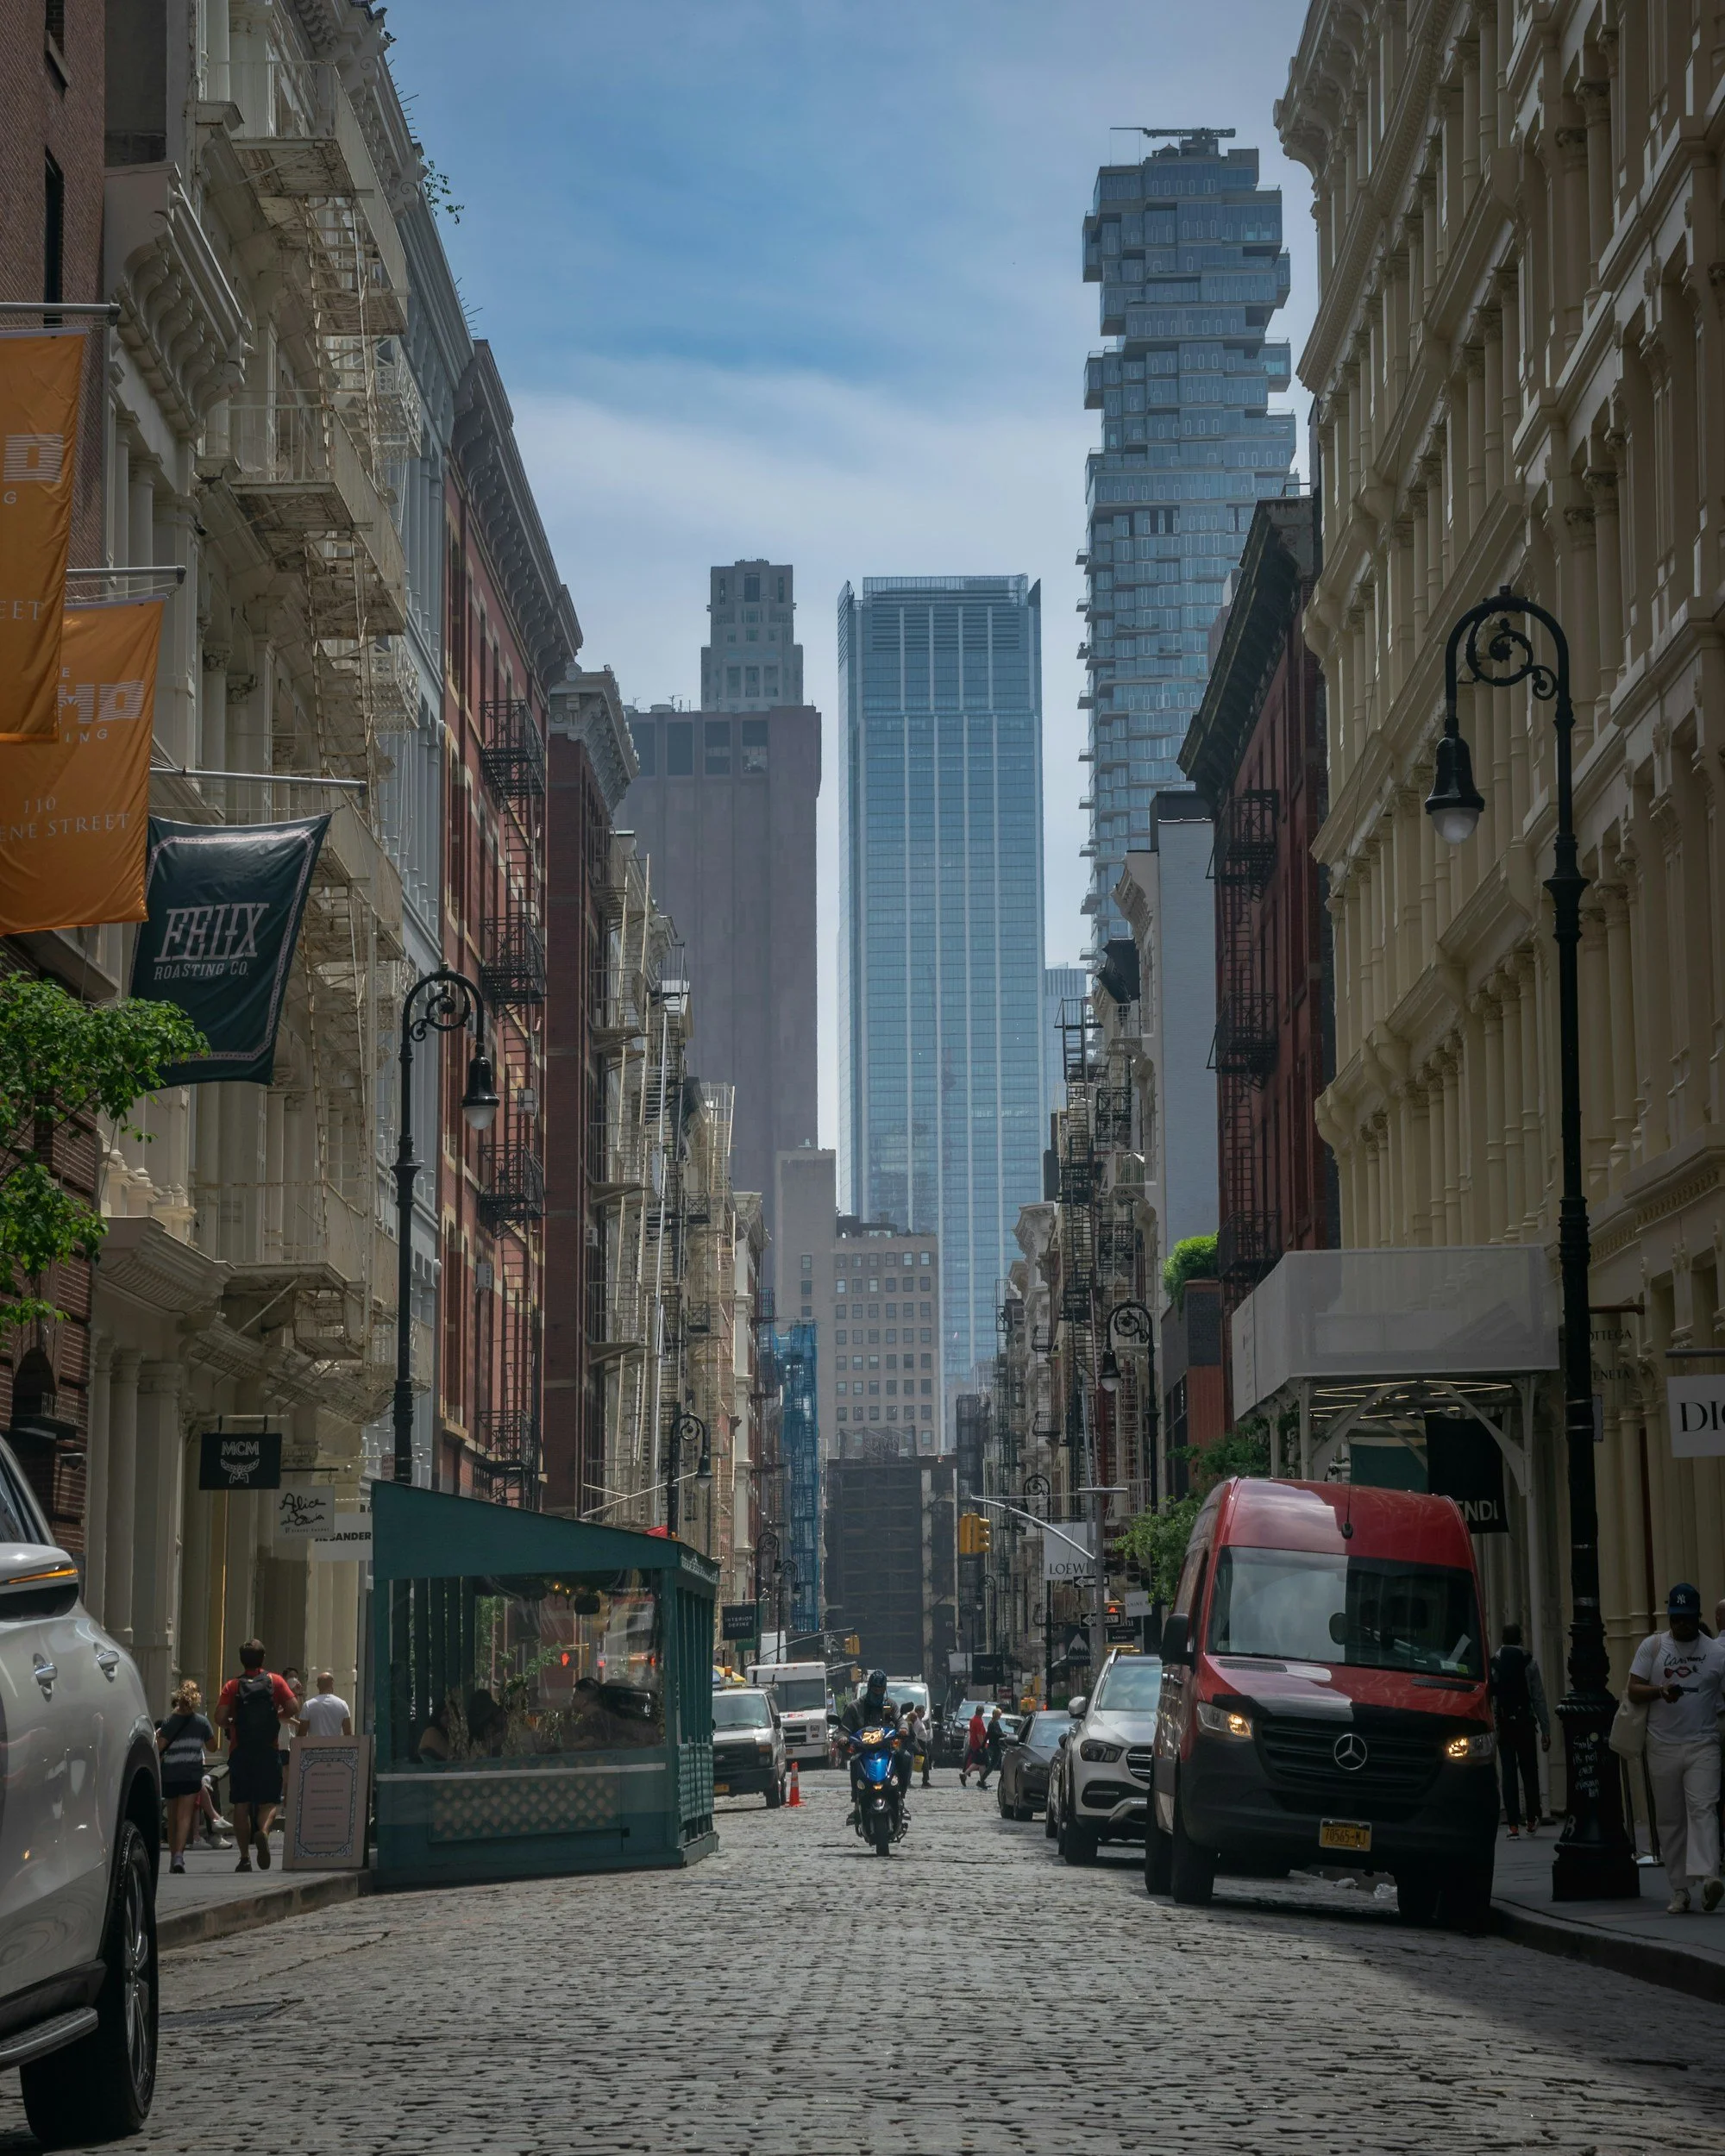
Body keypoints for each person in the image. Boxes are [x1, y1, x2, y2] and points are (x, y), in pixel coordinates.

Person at [1627, 1583, 1725, 1914]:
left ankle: (1710, 1876)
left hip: (1703, 1744)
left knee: (1703, 1809)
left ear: (1698, 1617)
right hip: (1662, 1746)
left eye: (1687, 1619)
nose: (1681, 1625)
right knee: (1671, 1820)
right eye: (1675, 1619)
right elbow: (1633, 1689)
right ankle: (1680, 1889)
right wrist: (1659, 1691)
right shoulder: (1653, 1647)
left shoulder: (1716, 1653)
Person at [216, 1639, 299, 1872]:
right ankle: (262, 1831)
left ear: (242, 1660)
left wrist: (234, 1722)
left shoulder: (232, 1686)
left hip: (241, 1751)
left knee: (241, 1803)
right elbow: (294, 1707)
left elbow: (220, 1717)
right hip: (268, 1749)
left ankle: (244, 1857)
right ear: (263, 1659)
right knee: (270, 1801)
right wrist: (276, 1714)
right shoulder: (275, 1681)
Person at [1490, 1622, 1550, 1838]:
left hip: (1504, 1723)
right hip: (1525, 1721)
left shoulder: (1495, 1662)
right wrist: (1546, 1729)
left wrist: (1493, 1725)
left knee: (1508, 1772)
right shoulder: (1529, 1662)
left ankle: (1513, 1823)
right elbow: (1538, 1697)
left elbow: (1493, 1696)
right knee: (1529, 1770)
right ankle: (1532, 1818)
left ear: (1503, 1639)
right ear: (1520, 1639)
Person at [156, 1681, 216, 1875]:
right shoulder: (201, 1722)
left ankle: (174, 1855)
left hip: (171, 1772)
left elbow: (159, 1747)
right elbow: (213, 1747)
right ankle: (179, 1856)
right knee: (185, 1817)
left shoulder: (169, 1722)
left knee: (173, 1816)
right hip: (191, 1773)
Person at [298, 1670, 354, 1738]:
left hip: (314, 1747)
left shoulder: (308, 1705)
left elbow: (302, 1733)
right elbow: (348, 1733)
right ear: (332, 1684)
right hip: (335, 1747)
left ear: (317, 1686)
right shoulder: (342, 1704)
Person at [979, 1707, 1006, 1792]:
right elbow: (993, 1734)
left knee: (993, 1764)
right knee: (992, 1765)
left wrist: (1003, 1734)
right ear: (995, 1715)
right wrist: (1003, 1735)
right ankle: (982, 1780)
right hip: (994, 1746)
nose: (1000, 1716)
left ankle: (982, 1780)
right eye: (999, 1715)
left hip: (997, 1746)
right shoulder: (992, 1724)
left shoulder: (996, 1723)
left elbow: (996, 1733)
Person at [961, 1704, 987, 1789]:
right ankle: (966, 1775)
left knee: (980, 1763)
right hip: (978, 1745)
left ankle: (982, 1781)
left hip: (974, 1744)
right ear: (982, 1712)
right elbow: (979, 1735)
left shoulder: (972, 1719)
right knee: (980, 1763)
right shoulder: (978, 1721)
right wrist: (983, 1746)